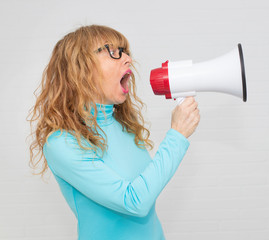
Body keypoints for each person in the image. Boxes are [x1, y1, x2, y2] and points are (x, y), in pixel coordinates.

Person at [28, 25, 200, 240]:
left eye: (125, 51)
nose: (127, 58)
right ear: (80, 69)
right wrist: (177, 136)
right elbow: (134, 202)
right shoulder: (61, 142)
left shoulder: (124, 125)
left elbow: (148, 194)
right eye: (113, 52)